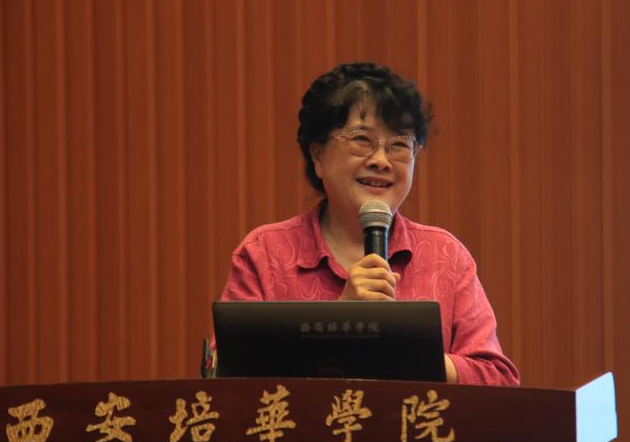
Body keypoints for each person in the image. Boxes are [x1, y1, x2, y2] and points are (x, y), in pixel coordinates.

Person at [221, 62, 519, 386]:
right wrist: (341, 325)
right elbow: (223, 375)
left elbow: (498, 379)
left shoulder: (445, 258)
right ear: (317, 156)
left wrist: (408, 358)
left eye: (399, 145)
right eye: (362, 140)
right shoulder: (265, 255)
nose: (381, 160)